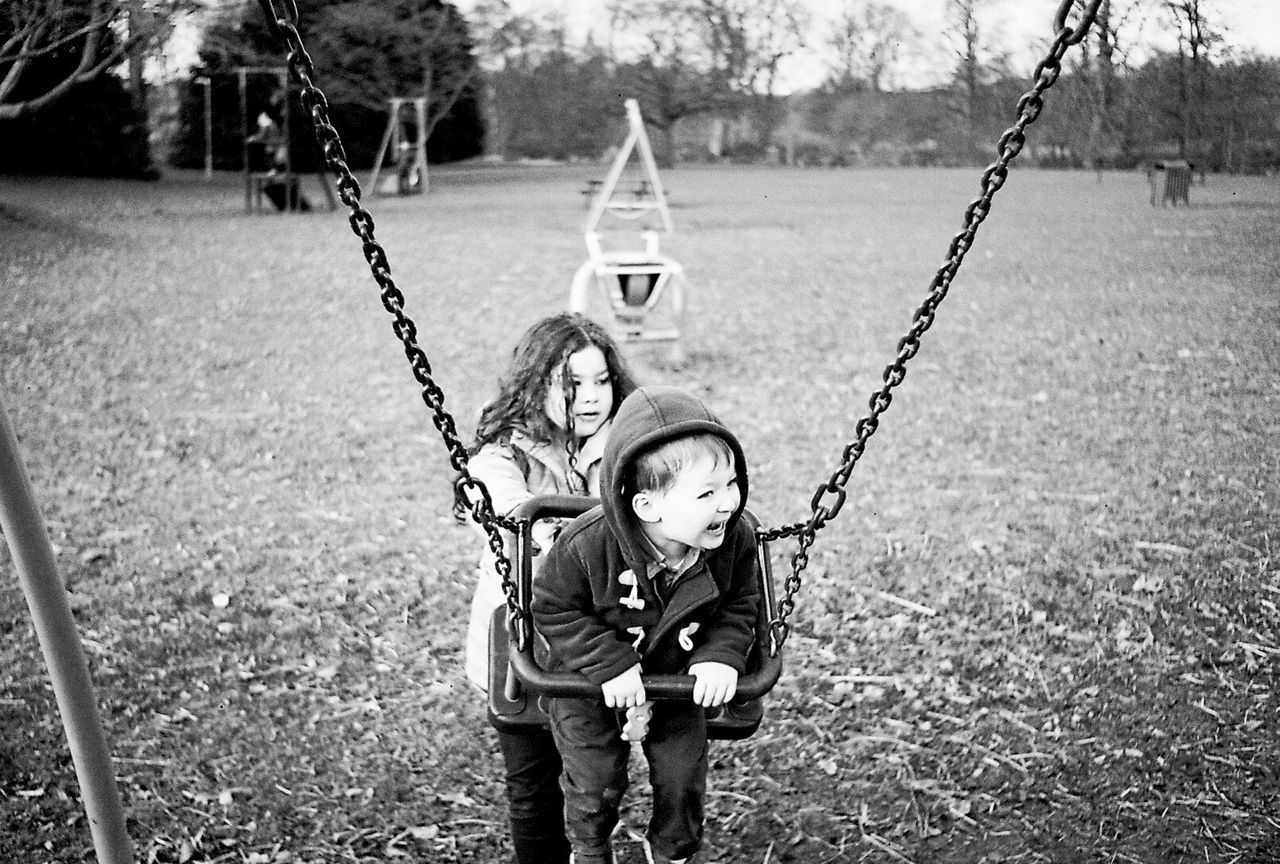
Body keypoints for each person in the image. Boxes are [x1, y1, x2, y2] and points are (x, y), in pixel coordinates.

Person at [531, 386, 760, 864]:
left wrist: (720, 655)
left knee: (682, 777)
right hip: (588, 680)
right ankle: (590, 850)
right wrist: (607, 662)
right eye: (707, 493)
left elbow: (741, 604)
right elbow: (552, 607)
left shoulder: (733, 541)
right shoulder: (585, 547)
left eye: (732, 483)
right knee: (594, 777)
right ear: (647, 507)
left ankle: (672, 851)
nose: (727, 503)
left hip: (677, 675)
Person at [460, 313, 639, 864]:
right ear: (535, 385)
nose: (592, 398)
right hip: (522, 639)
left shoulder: (625, 449)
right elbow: (515, 524)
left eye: (603, 380)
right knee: (532, 780)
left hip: (598, 643)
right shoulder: (501, 459)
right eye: (572, 383)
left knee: (593, 771)